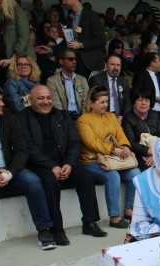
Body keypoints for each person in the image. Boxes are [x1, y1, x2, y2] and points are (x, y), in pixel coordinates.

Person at [18, 85, 106, 241]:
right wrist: (52, 166)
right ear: (30, 100)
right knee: (49, 181)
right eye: (40, 98)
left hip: (65, 163)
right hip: (40, 166)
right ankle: (56, 229)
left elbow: (74, 142)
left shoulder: (62, 116)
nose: (46, 102)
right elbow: (28, 148)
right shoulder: (22, 118)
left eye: (48, 98)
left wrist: (69, 164)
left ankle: (89, 222)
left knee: (85, 176)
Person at [0, 86, 61, 249]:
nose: (2, 104)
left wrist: (8, 173)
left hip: (8, 171)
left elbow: (22, 151)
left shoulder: (8, 118)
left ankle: (44, 230)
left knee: (33, 181)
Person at [76, 86, 141, 228]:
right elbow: (92, 142)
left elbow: (120, 134)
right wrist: (113, 150)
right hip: (91, 160)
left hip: (114, 159)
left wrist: (125, 146)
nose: (105, 105)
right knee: (112, 176)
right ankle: (115, 217)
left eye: (106, 101)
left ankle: (129, 209)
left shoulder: (111, 116)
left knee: (135, 173)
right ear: (91, 103)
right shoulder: (83, 120)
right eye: (101, 102)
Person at [0, 0, 35, 86]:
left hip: (20, 60)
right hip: (6, 58)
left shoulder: (19, 13)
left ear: (6, 1)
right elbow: (1, 36)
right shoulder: (2, 15)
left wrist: (13, 58)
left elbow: (24, 38)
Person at [60, 0, 105, 77]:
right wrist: (50, 50)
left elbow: (100, 39)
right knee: (78, 88)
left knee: (89, 90)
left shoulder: (91, 15)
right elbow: (67, 42)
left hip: (89, 62)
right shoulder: (69, 19)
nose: (63, 2)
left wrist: (81, 44)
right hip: (73, 59)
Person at [121, 89, 160, 171]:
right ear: (134, 102)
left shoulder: (155, 115)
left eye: (147, 100)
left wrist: (154, 153)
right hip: (138, 153)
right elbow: (131, 142)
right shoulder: (128, 118)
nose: (143, 103)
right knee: (150, 169)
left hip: (157, 151)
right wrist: (148, 151)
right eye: (139, 100)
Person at [132, 52, 160, 124]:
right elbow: (137, 93)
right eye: (159, 60)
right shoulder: (140, 75)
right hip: (149, 112)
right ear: (153, 63)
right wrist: (157, 98)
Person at [46, 49, 89, 120]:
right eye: (70, 59)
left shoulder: (82, 80)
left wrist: (82, 119)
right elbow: (57, 105)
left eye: (75, 59)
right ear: (61, 61)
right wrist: (66, 121)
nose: (74, 62)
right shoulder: (52, 81)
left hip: (81, 118)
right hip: (63, 119)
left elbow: (85, 102)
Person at [89, 54, 132, 120]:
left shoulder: (124, 81)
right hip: (102, 117)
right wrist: (110, 119)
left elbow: (128, 102)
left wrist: (123, 117)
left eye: (118, 65)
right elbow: (96, 103)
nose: (116, 67)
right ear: (106, 66)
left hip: (120, 117)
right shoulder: (96, 80)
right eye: (112, 64)